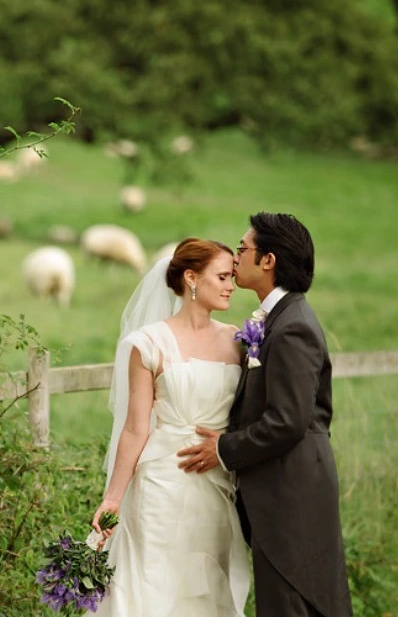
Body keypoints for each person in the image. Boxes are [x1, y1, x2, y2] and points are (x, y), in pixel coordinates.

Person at [176, 213, 353, 617]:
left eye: (242, 249)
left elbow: (288, 421)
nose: (235, 258)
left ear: (268, 260)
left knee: (293, 605)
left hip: (292, 495)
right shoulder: (278, 319)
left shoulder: (292, 327)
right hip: (283, 491)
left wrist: (223, 448)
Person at [89, 237, 249, 616]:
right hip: (160, 485)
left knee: (206, 588)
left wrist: (229, 444)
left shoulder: (237, 341)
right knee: (153, 584)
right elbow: (134, 429)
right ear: (192, 278)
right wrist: (112, 499)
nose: (231, 285)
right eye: (223, 276)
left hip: (215, 485)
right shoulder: (148, 344)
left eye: (232, 277)